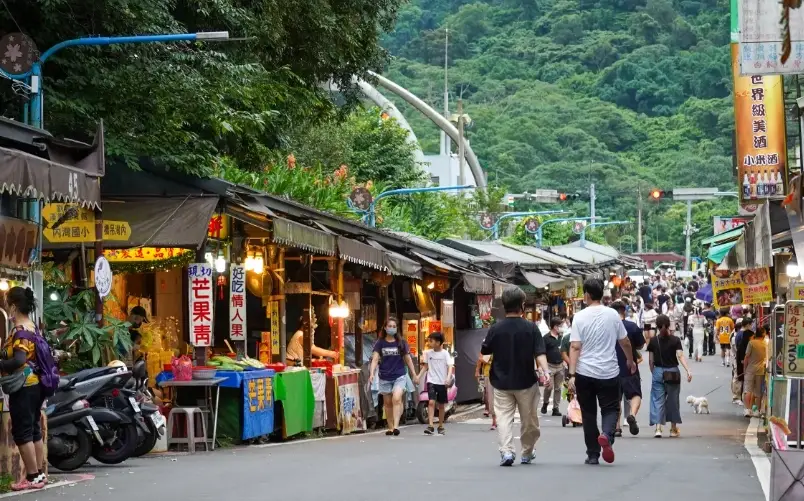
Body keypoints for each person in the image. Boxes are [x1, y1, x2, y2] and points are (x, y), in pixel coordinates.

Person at [568, 278, 636, 465]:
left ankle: (592, 454)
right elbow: (625, 341)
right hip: (609, 372)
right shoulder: (613, 315)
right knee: (610, 408)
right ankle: (606, 434)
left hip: (584, 373)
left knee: (588, 414)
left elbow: (575, 347)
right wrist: (630, 360)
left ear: (587, 295)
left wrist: (572, 374)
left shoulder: (579, 317)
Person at [480, 287, 551, 466]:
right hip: (526, 381)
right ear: (522, 305)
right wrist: (545, 371)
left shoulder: (495, 328)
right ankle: (526, 452)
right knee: (529, 420)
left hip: (501, 381)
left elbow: (485, 351)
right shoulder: (531, 328)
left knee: (503, 418)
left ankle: (507, 452)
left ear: (504, 306)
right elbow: (540, 353)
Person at [0, 287, 47, 490]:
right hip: (34, 385)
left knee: (22, 433)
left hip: (24, 387)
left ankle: (32, 476)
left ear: (13, 305)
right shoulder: (32, 326)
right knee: (34, 430)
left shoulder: (20, 330)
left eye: (6, 302)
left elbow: (19, 359)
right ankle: (38, 476)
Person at [368, 317, 417, 436]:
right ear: (385, 328)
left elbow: (408, 359)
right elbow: (375, 358)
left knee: (396, 398)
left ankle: (396, 426)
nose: (391, 328)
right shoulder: (380, 343)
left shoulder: (401, 343)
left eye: (394, 326)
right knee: (388, 403)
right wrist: (371, 373)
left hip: (399, 375)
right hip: (384, 376)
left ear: (397, 329)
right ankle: (390, 427)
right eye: (389, 326)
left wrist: (414, 374)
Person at [647, 314, 692, 438]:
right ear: (668, 325)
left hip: (658, 371)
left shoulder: (653, 341)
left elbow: (650, 361)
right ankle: (673, 429)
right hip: (673, 372)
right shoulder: (675, 340)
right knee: (673, 400)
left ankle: (658, 428)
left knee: (657, 399)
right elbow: (680, 356)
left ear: (656, 325)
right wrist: (688, 370)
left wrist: (655, 372)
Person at [611, 301, 645, 437]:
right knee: (635, 394)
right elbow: (641, 345)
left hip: (610, 368)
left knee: (615, 399)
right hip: (629, 367)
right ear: (624, 311)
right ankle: (631, 415)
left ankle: (617, 427)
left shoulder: (607, 327)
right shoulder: (631, 326)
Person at [420, 332, 454, 435]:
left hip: (442, 382)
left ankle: (440, 425)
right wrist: (418, 376)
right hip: (431, 381)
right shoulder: (428, 353)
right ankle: (430, 425)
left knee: (441, 405)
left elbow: (449, 366)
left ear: (438, 342)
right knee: (431, 402)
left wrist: (448, 378)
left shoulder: (445, 353)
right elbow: (425, 366)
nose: (429, 343)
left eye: (431, 341)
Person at [541, 317, 565, 416]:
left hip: (560, 365)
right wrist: (542, 367)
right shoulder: (546, 338)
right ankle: (545, 403)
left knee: (558, 388)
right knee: (549, 387)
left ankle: (556, 408)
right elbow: (542, 353)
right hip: (549, 365)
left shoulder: (562, 337)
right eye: (559, 326)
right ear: (555, 327)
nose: (561, 328)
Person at [743, 327, 768, 418]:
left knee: (748, 390)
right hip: (760, 370)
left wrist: (744, 369)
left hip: (750, 369)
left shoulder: (751, 343)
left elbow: (746, 357)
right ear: (763, 334)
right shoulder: (765, 344)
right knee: (758, 392)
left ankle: (747, 410)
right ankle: (757, 411)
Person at [475, 353, 497, 430]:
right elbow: (480, 358)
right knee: (490, 398)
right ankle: (494, 420)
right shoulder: (487, 346)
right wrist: (477, 371)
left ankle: (503, 418)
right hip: (488, 374)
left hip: (502, 375)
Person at [730, 319, 744, 405]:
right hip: (736, 359)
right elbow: (737, 349)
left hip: (736, 358)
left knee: (737, 377)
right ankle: (736, 397)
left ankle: (737, 395)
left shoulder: (735, 334)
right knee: (737, 377)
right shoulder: (735, 337)